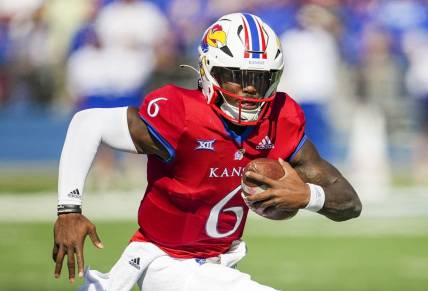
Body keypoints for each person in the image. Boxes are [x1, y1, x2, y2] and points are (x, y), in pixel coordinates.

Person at [52, 13, 362, 291]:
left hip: (219, 266)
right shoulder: (181, 113)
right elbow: (87, 123)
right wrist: (69, 210)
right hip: (166, 263)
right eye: (239, 76)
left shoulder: (280, 118)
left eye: (260, 78)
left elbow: (349, 202)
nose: (251, 88)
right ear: (210, 70)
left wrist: (308, 196)